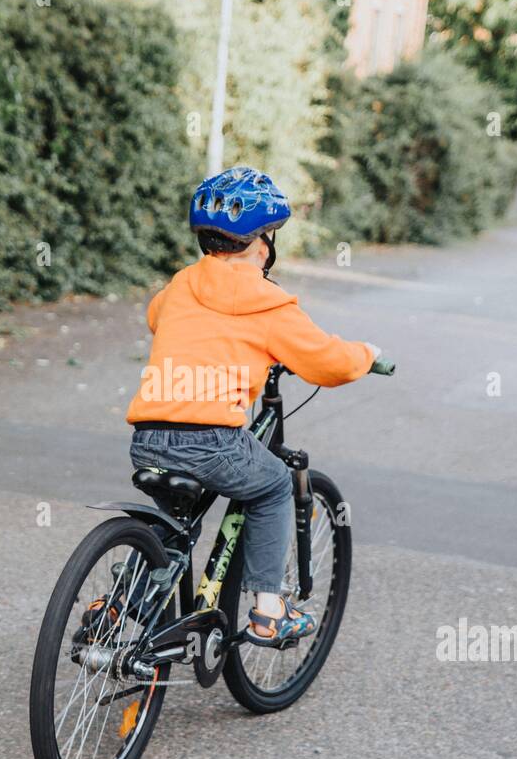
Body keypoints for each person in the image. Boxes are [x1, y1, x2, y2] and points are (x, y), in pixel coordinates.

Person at [124, 166, 379, 646]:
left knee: (175, 524)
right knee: (272, 486)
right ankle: (268, 610)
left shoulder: (181, 284)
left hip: (148, 438)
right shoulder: (269, 304)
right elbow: (328, 364)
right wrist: (366, 356)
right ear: (263, 244)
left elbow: (155, 318)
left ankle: (123, 601)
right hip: (211, 443)